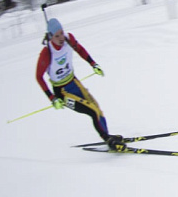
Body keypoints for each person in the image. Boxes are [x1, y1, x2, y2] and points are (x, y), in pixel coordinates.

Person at [35, 18, 124, 150]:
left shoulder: (68, 39)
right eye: (56, 35)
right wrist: (52, 98)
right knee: (92, 111)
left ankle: (107, 135)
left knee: (97, 108)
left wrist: (93, 64)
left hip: (74, 82)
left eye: (61, 32)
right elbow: (39, 77)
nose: (61, 37)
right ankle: (107, 139)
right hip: (62, 92)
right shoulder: (47, 53)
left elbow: (80, 50)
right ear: (50, 37)